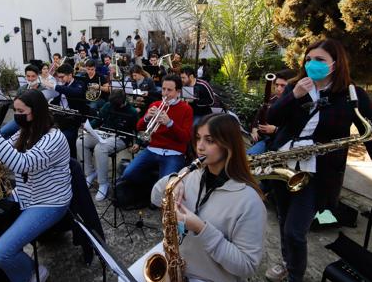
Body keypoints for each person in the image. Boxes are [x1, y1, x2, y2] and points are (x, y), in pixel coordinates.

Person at [264, 38, 372, 282]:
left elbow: (369, 133)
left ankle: (295, 275)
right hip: (284, 165)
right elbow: (274, 116)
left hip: (317, 172)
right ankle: (286, 261)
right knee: (283, 219)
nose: (312, 64)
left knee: (295, 231)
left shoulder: (352, 95)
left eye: (320, 60)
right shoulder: (295, 86)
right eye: (309, 59)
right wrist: (295, 96)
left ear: (336, 64)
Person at [128, 113, 266, 282]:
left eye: (209, 140)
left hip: (209, 276)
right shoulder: (193, 174)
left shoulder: (250, 201)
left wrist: (201, 229)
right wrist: (172, 180)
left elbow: (247, 267)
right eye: (198, 138)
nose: (199, 147)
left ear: (228, 145)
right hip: (177, 258)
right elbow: (155, 198)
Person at [0, 90, 71, 282]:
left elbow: (22, 164)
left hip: (48, 202)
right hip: (23, 194)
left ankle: (31, 272)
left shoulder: (54, 138)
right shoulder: (26, 131)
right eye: (15, 110)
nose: (17, 115)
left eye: (21, 110)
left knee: (1, 253)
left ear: (37, 111)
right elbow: (3, 153)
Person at [120, 75, 193, 184]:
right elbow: (139, 127)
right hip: (152, 149)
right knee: (128, 174)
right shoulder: (155, 105)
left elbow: (186, 138)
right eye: (163, 89)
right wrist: (146, 117)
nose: (165, 93)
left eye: (169, 90)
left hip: (174, 152)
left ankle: (158, 189)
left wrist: (170, 123)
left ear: (178, 91)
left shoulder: (186, 109)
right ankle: (152, 187)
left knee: (166, 185)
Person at [77, 89, 138, 201]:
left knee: (100, 149)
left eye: (115, 105)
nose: (112, 106)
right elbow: (99, 120)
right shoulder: (108, 105)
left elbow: (137, 130)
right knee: (81, 141)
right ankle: (90, 173)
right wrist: (89, 127)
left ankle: (103, 183)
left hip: (120, 137)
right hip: (104, 133)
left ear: (123, 102)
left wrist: (138, 143)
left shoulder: (132, 112)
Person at [247, 69, 296, 155]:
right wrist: (254, 128)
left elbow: (295, 129)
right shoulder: (272, 99)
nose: (278, 89)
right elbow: (258, 116)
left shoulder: (296, 103)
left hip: (283, 144)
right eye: (276, 85)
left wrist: (275, 130)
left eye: (283, 85)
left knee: (249, 158)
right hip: (266, 140)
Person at [43, 63, 87, 157]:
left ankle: (70, 158)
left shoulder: (80, 84)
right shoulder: (63, 85)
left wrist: (54, 86)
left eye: (62, 77)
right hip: (61, 117)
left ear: (70, 75)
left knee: (64, 138)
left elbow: (75, 92)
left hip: (74, 119)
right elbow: (56, 101)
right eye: (58, 77)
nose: (60, 79)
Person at [0, 65, 45, 139]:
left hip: (34, 121)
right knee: (2, 133)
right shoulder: (22, 89)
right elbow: (14, 106)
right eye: (28, 76)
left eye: (33, 76)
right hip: (20, 119)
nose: (30, 79)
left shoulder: (43, 90)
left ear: (38, 76)